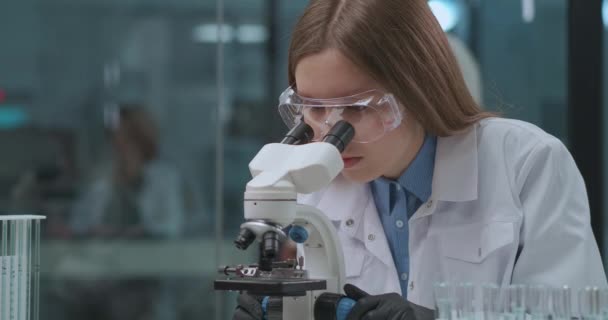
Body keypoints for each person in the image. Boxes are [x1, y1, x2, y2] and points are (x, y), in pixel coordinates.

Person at [234, 0, 607, 319]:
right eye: (313, 108)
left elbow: (574, 311)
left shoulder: (527, 164)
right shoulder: (311, 191)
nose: (331, 136)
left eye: (356, 108)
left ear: (417, 89)